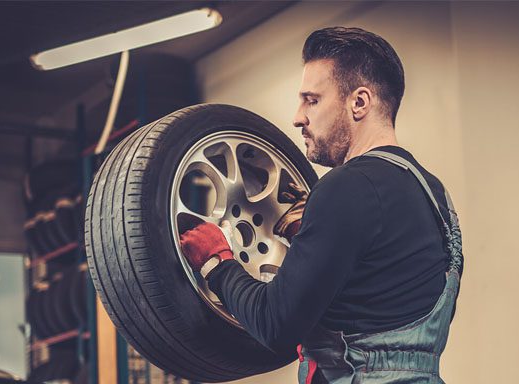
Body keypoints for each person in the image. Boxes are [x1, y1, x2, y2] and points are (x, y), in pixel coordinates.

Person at [179, 26, 463, 383]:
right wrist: (310, 237)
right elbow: (385, 298)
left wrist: (217, 261)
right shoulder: (433, 193)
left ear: (359, 102)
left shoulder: (345, 187)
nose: (298, 117)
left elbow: (274, 324)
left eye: (311, 100)